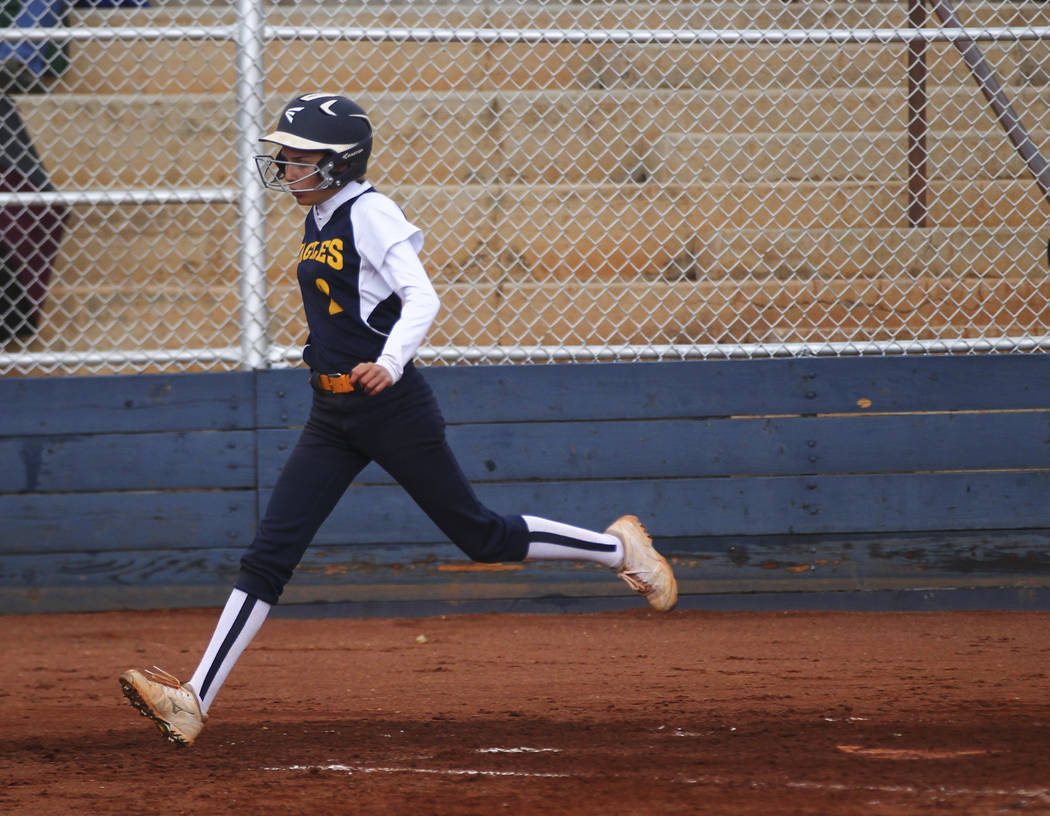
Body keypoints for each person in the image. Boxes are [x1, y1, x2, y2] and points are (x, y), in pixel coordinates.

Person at [118, 92, 677, 747]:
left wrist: (388, 360)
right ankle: (193, 701)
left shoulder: (370, 211)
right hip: (332, 411)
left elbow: (422, 296)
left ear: (339, 162)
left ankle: (619, 550)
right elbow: (349, 301)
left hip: (390, 407)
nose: (287, 166)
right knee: (270, 554)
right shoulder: (320, 215)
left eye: (300, 156)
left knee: (481, 536)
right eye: (287, 155)